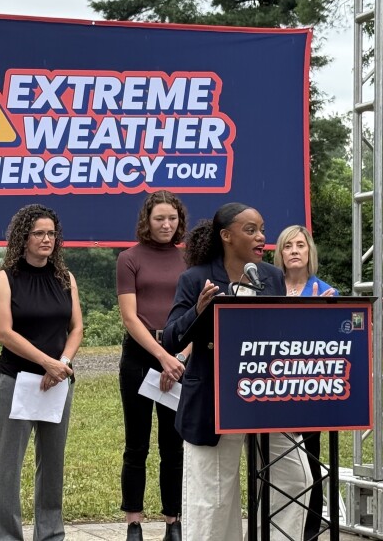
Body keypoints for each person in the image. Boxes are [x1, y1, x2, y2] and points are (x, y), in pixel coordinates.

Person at [162, 202, 310, 541]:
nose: (261, 237)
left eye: (262, 229)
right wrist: (198, 311)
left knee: (295, 478)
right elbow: (171, 337)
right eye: (251, 230)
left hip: (267, 398)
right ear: (226, 236)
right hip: (214, 402)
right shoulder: (195, 278)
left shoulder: (272, 277)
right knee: (213, 499)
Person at [0, 204, 84, 541]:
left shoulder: (65, 277)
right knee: (8, 466)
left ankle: (50, 534)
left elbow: (76, 328)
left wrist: (63, 364)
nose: (46, 239)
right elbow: (5, 333)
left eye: (51, 234)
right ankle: (5, 536)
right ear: (23, 238)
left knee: (53, 464)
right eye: (39, 233)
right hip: (17, 381)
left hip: (58, 382)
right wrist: (47, 362)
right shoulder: (6, 277)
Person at [116, 192, 190, 541]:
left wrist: (179, 357)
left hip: (180, 355)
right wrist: (162, 357)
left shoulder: (189, 259)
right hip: (141, 355)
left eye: (172, 219)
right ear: (147, 221)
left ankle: (173, 521)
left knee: (173, 444)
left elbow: (199, 313)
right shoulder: (129, 258)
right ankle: (134, 520)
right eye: (159, 218)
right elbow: (129, 317)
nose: (166, 225)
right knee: (137, 443)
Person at [273, 225, 339, 540]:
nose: (295, 251)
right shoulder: (269, 288)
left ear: (309, 252)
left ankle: (310, 530)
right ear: (280, 253)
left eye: (301, 245)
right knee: (274, 462)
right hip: (273, 385)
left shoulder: (325, 292)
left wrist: (319, 316)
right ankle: (275, 526)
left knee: (310, 460)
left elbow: (335, 342)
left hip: (310, 386)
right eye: (289, 246)